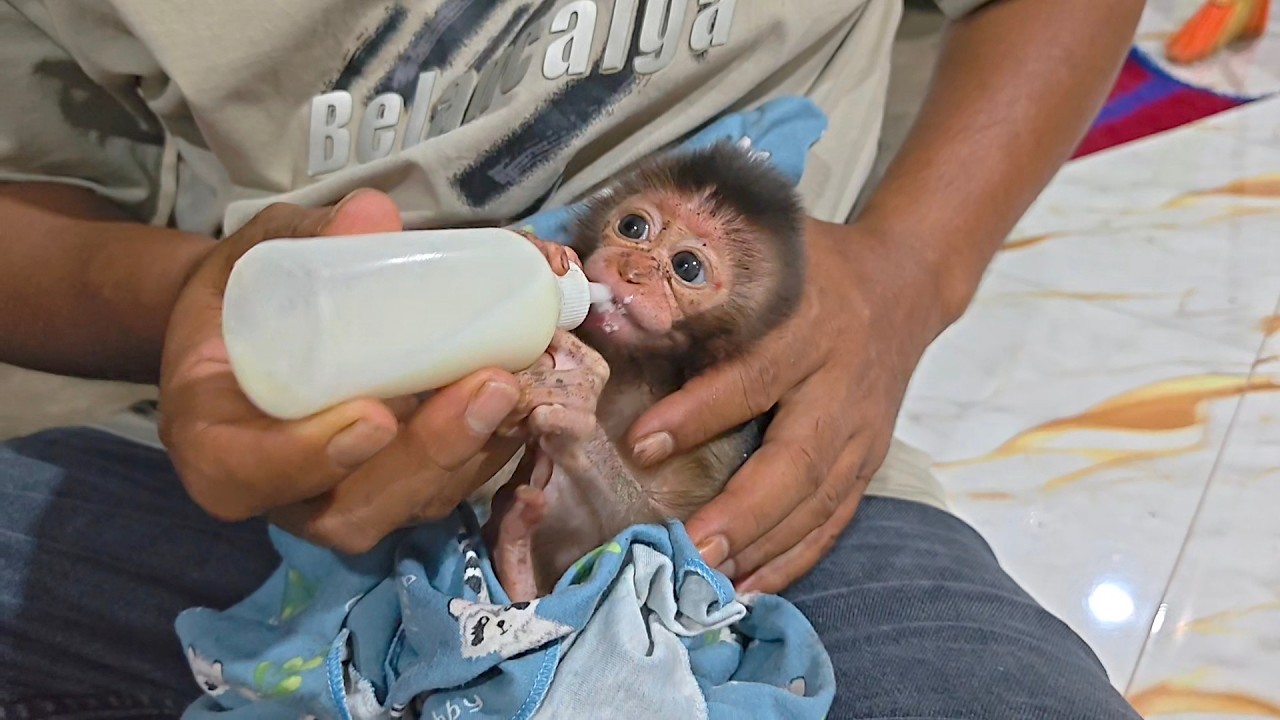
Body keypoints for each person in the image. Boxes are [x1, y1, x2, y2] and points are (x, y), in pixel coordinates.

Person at [0, 0, 1146, 717]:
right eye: (633, 236)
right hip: (266, 453)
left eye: (684, 269)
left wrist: (909, 268)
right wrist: (192, 299)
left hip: (748, 500)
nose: (637, 272)